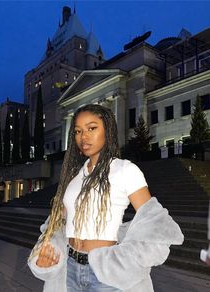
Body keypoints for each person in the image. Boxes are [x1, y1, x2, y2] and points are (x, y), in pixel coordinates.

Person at [28, 104, 184, 292]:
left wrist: (121, 263)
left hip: (105, 275)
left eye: (91, 128)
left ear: (107, 130)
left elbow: (155, 224)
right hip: (69, 269)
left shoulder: (125, 170)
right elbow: (58, 223)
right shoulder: (75, 177)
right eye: (78, 131)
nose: (83, 137)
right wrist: (50, 249)